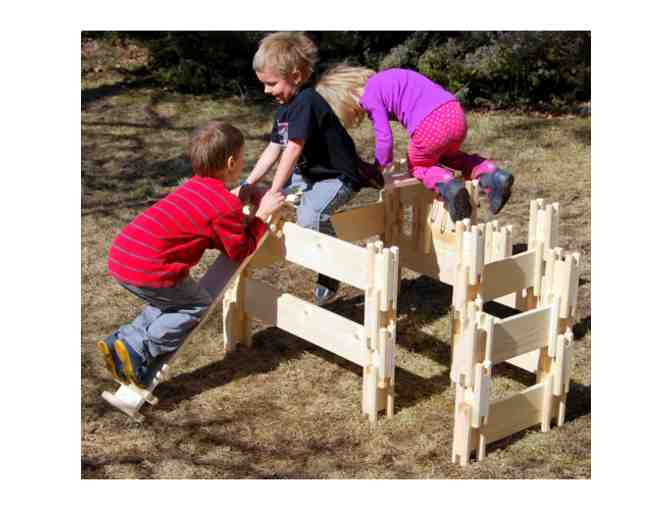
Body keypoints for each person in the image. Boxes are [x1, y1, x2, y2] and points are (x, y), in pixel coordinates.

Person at [98, 121, 285, 388]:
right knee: (193, 305)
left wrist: (238, 203)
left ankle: (120, 343)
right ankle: (140, 349)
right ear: (231, 163)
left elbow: (212, 220)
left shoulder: (192, 187)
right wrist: (262, 215)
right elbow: (239, 250)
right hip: (149, 268)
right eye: (243, 157)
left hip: (123, 256)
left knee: (170, 300)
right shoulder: (223, 206)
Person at [243, 32, 381, 306]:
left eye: (271, 83)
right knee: (274, 196)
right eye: (264, 84)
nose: (266, 91)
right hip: (310, 174)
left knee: (310, 216)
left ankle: (330, 272)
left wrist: (274, 190)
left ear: (295, 76)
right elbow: (274, 148)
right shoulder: (284, 108)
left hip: (337, 176)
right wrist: (250, 183)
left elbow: (292, 150)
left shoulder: (307, 102)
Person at [316, 66, 514, 222]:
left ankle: (449, 187)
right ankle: (492, 174)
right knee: (449, 156)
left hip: (430, 126)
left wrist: (380, 166)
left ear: (346, 96)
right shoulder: (388, 77)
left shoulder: (369, 96)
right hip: (455, 114)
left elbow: (384, 138)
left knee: (418, 166)